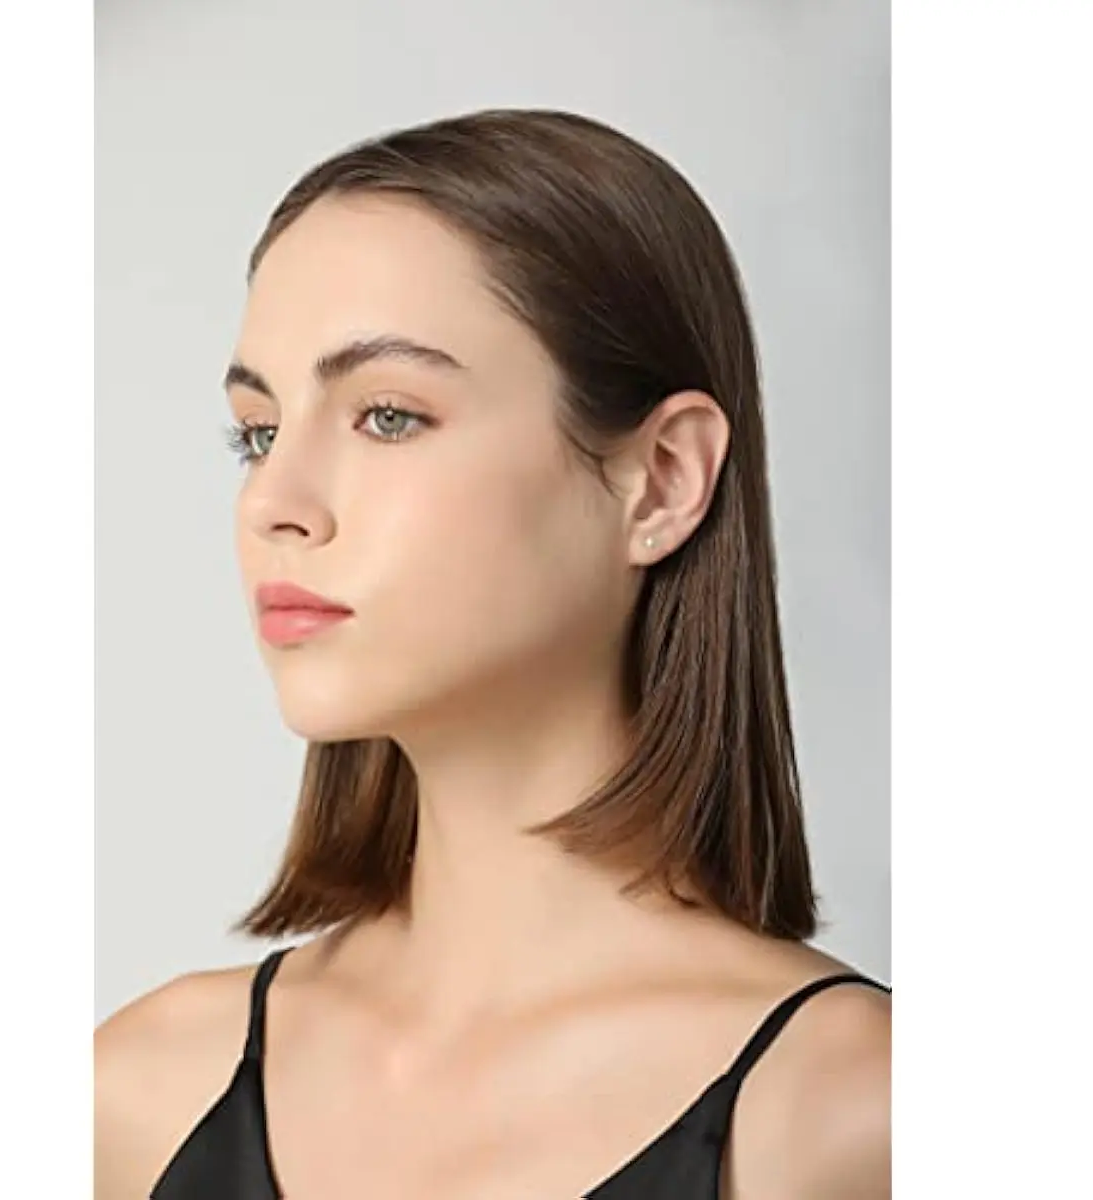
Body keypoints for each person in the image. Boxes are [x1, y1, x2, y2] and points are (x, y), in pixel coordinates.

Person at [94, 107, 891, 1199]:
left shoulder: (858, 1119)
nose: (273, 500)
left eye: (387, 416)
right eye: (258, 432)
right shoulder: (139, 1095)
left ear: (662, 480)